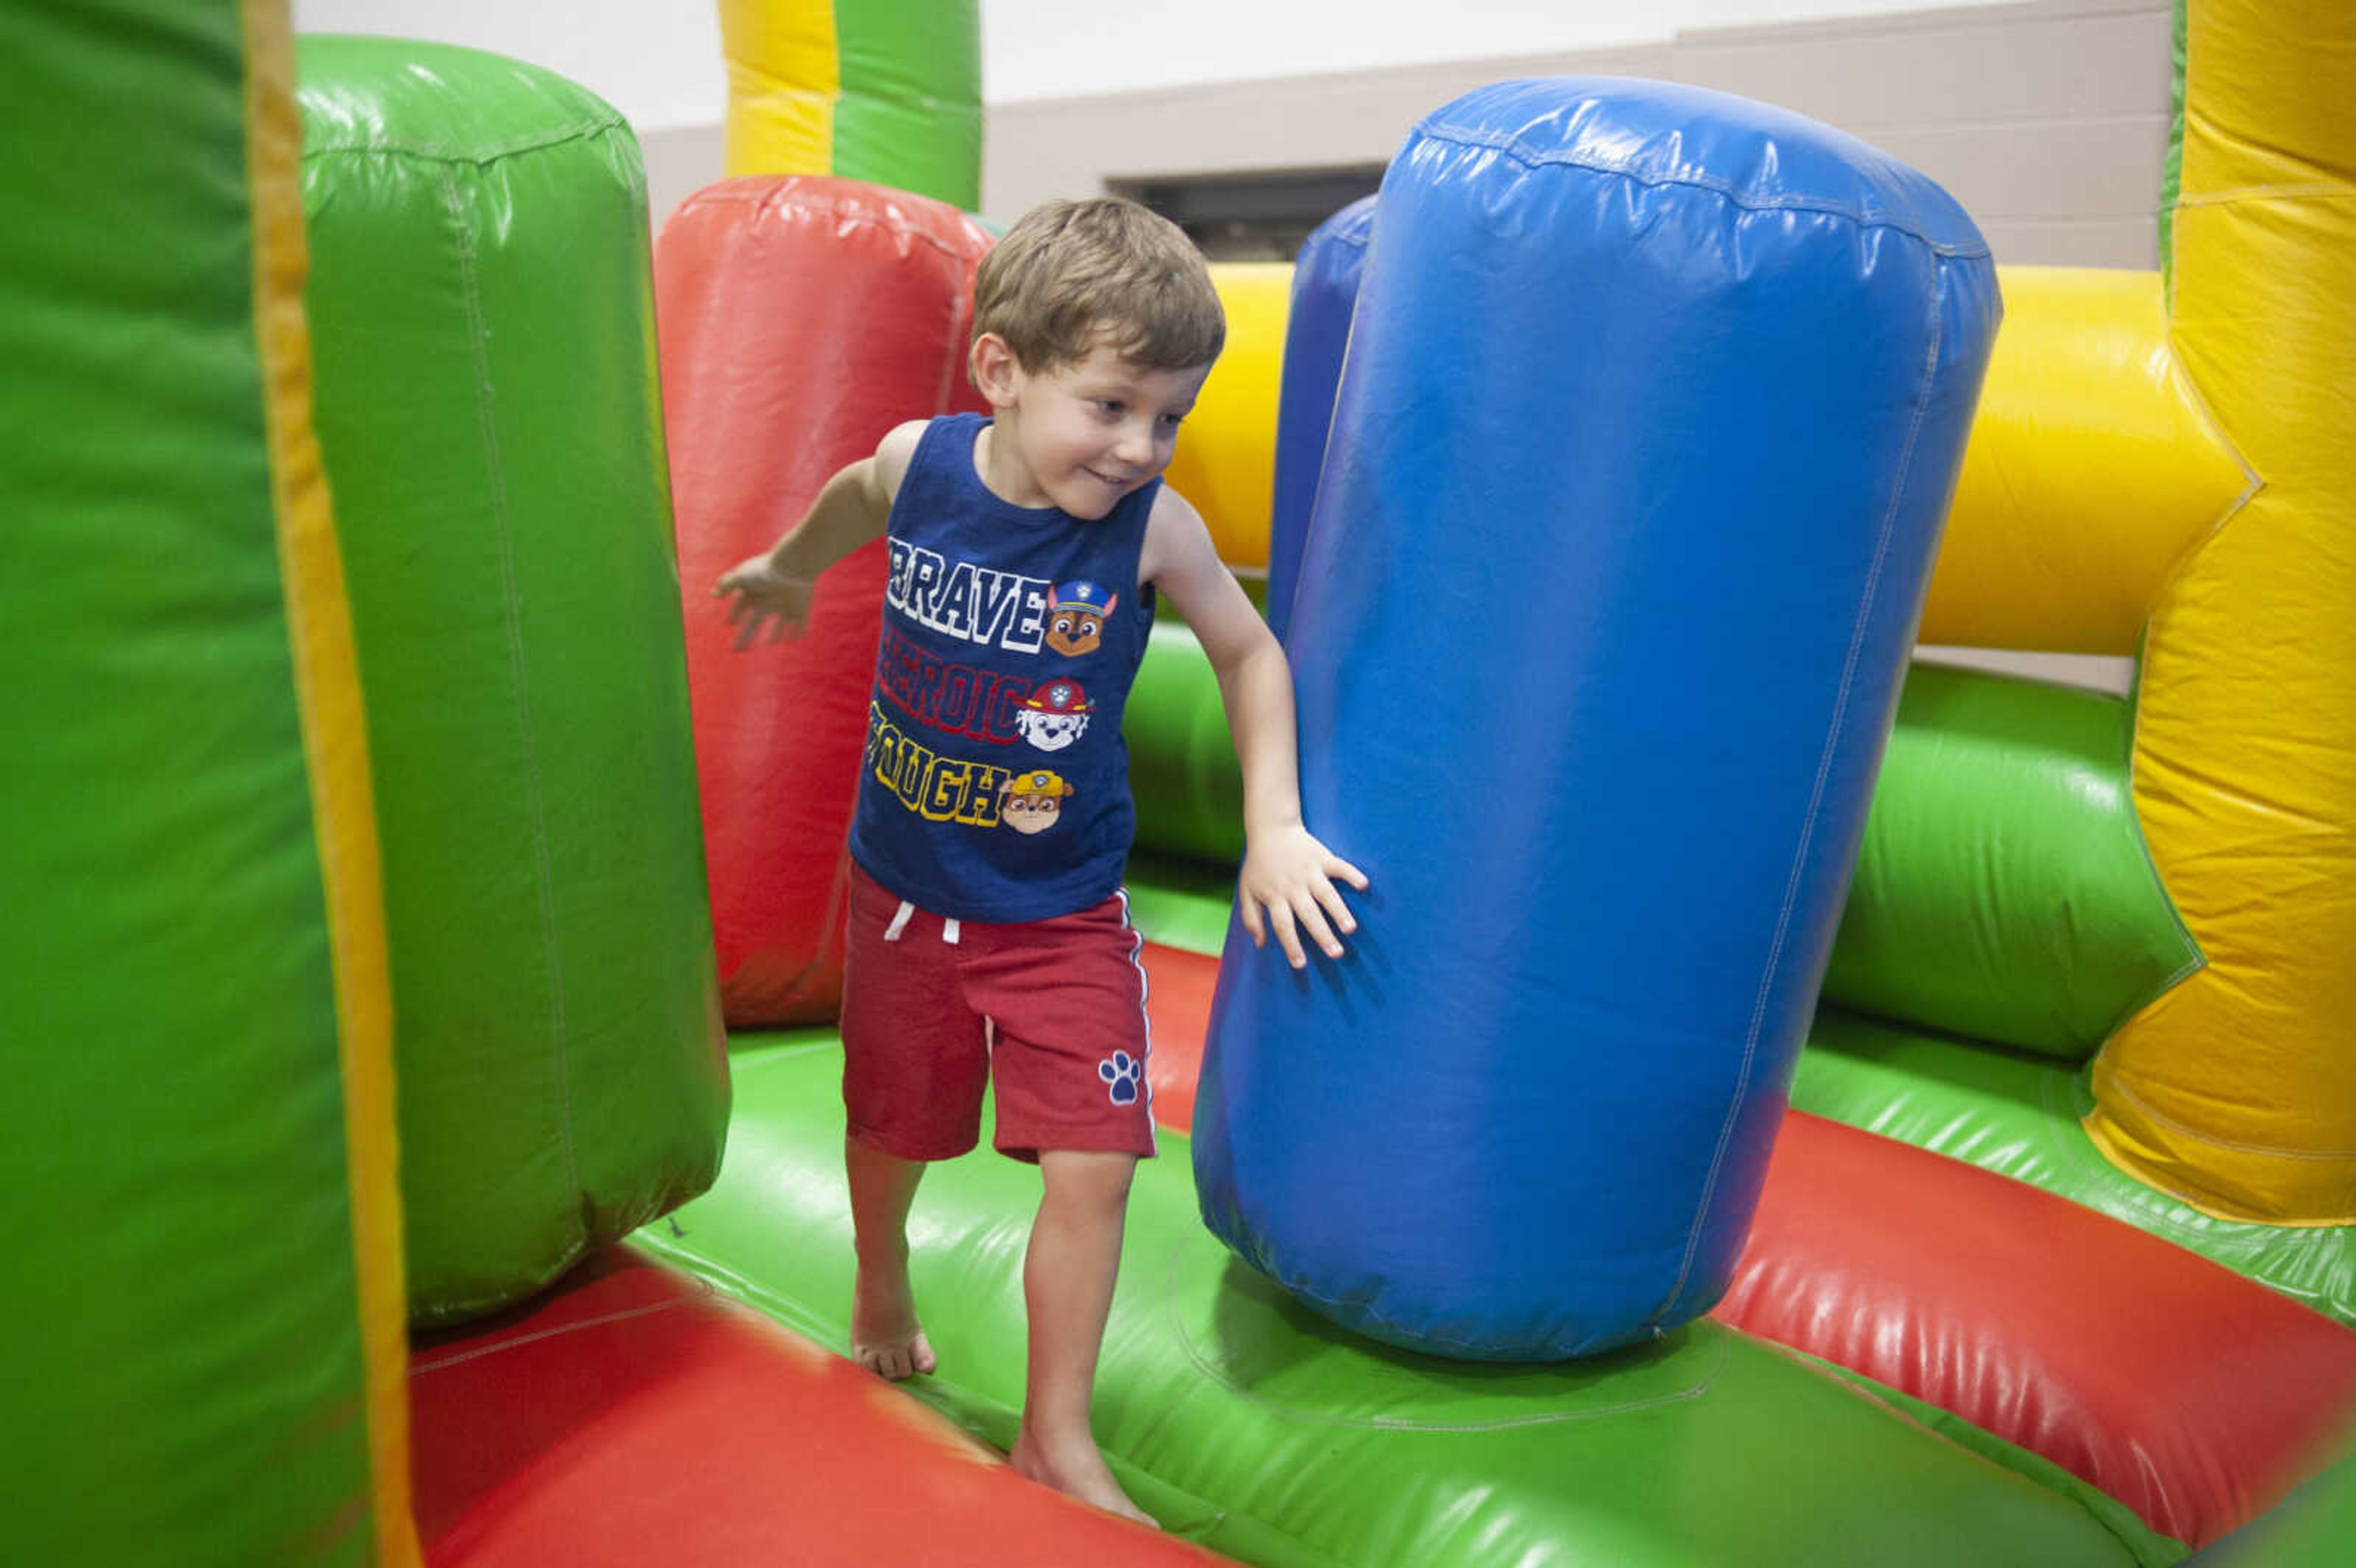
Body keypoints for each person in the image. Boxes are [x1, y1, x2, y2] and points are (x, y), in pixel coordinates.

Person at [713, 196, 1366, 1525]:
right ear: (1002, 371)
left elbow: (1249, 655)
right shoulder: (923, 465)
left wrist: (1277, 823)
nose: (1141, 448)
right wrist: (790, 569)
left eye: (1169, 417)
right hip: (904, 896)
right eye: (1113, 406)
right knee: (896, 1126)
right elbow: (854, 497)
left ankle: (1055, 1435)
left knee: (1097, 1160)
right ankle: (880, 1273)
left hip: (1062, 908)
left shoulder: (1154, 533)